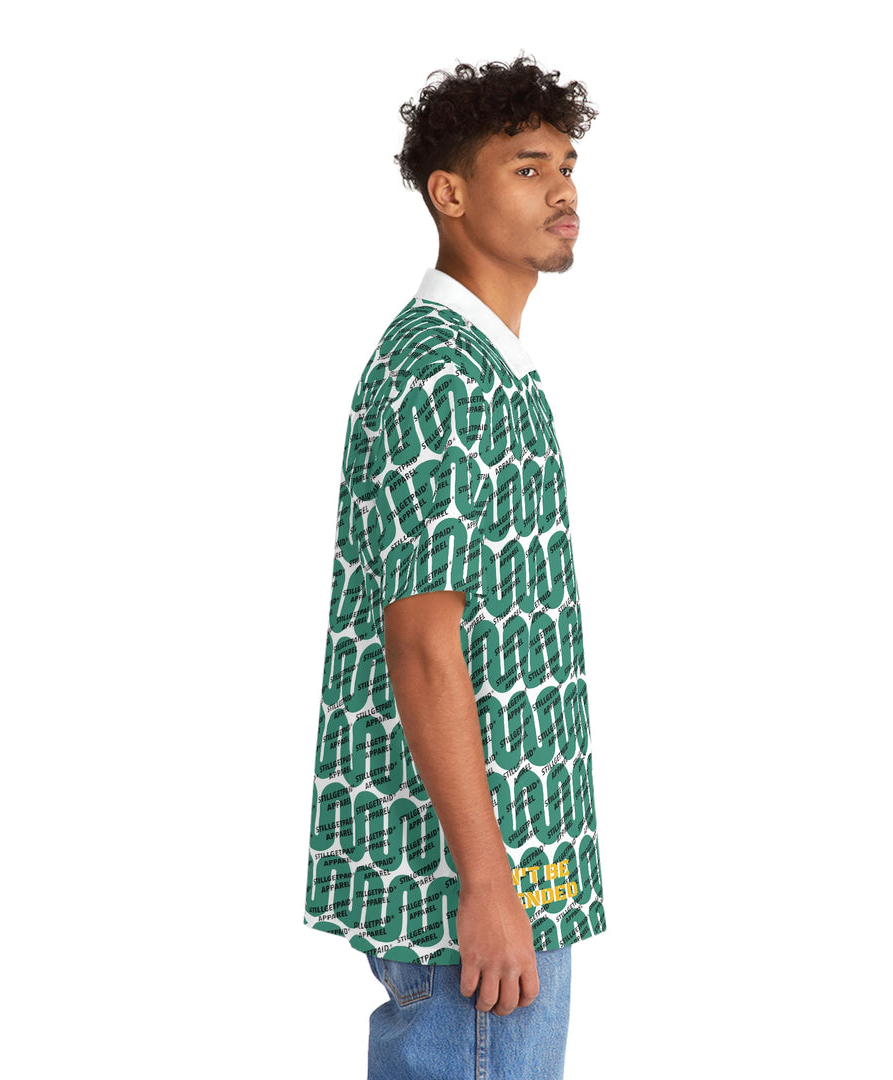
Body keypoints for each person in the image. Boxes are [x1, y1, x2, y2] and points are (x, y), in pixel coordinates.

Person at [305, 56, 606, 1080]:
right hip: (467, 902)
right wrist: (485, 884)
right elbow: (422, 643)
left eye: (566, 166)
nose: (562, 189)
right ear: (450, 193)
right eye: (527, 168)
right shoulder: (440, 374)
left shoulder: (490, 368)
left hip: (522, 876)